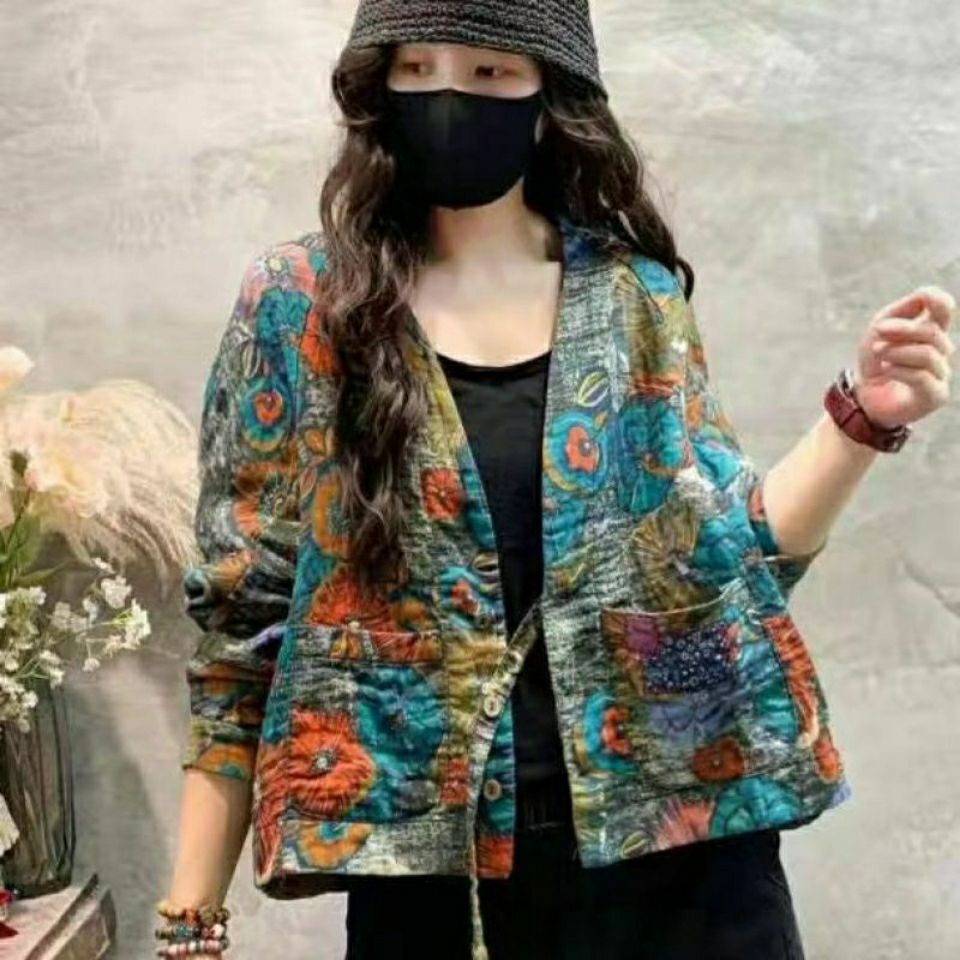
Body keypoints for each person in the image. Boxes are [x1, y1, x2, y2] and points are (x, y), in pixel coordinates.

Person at [158, 2, 956, 959]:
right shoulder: (304, 309)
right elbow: (243, 627)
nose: (448, 97)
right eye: (417, 68)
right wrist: (190, 924)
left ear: (549, 95)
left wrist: (860, 417)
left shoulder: (633, 298)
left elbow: (736, 559)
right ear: (378, 83)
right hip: (433, 880)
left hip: (686, 862)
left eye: (489, 72)